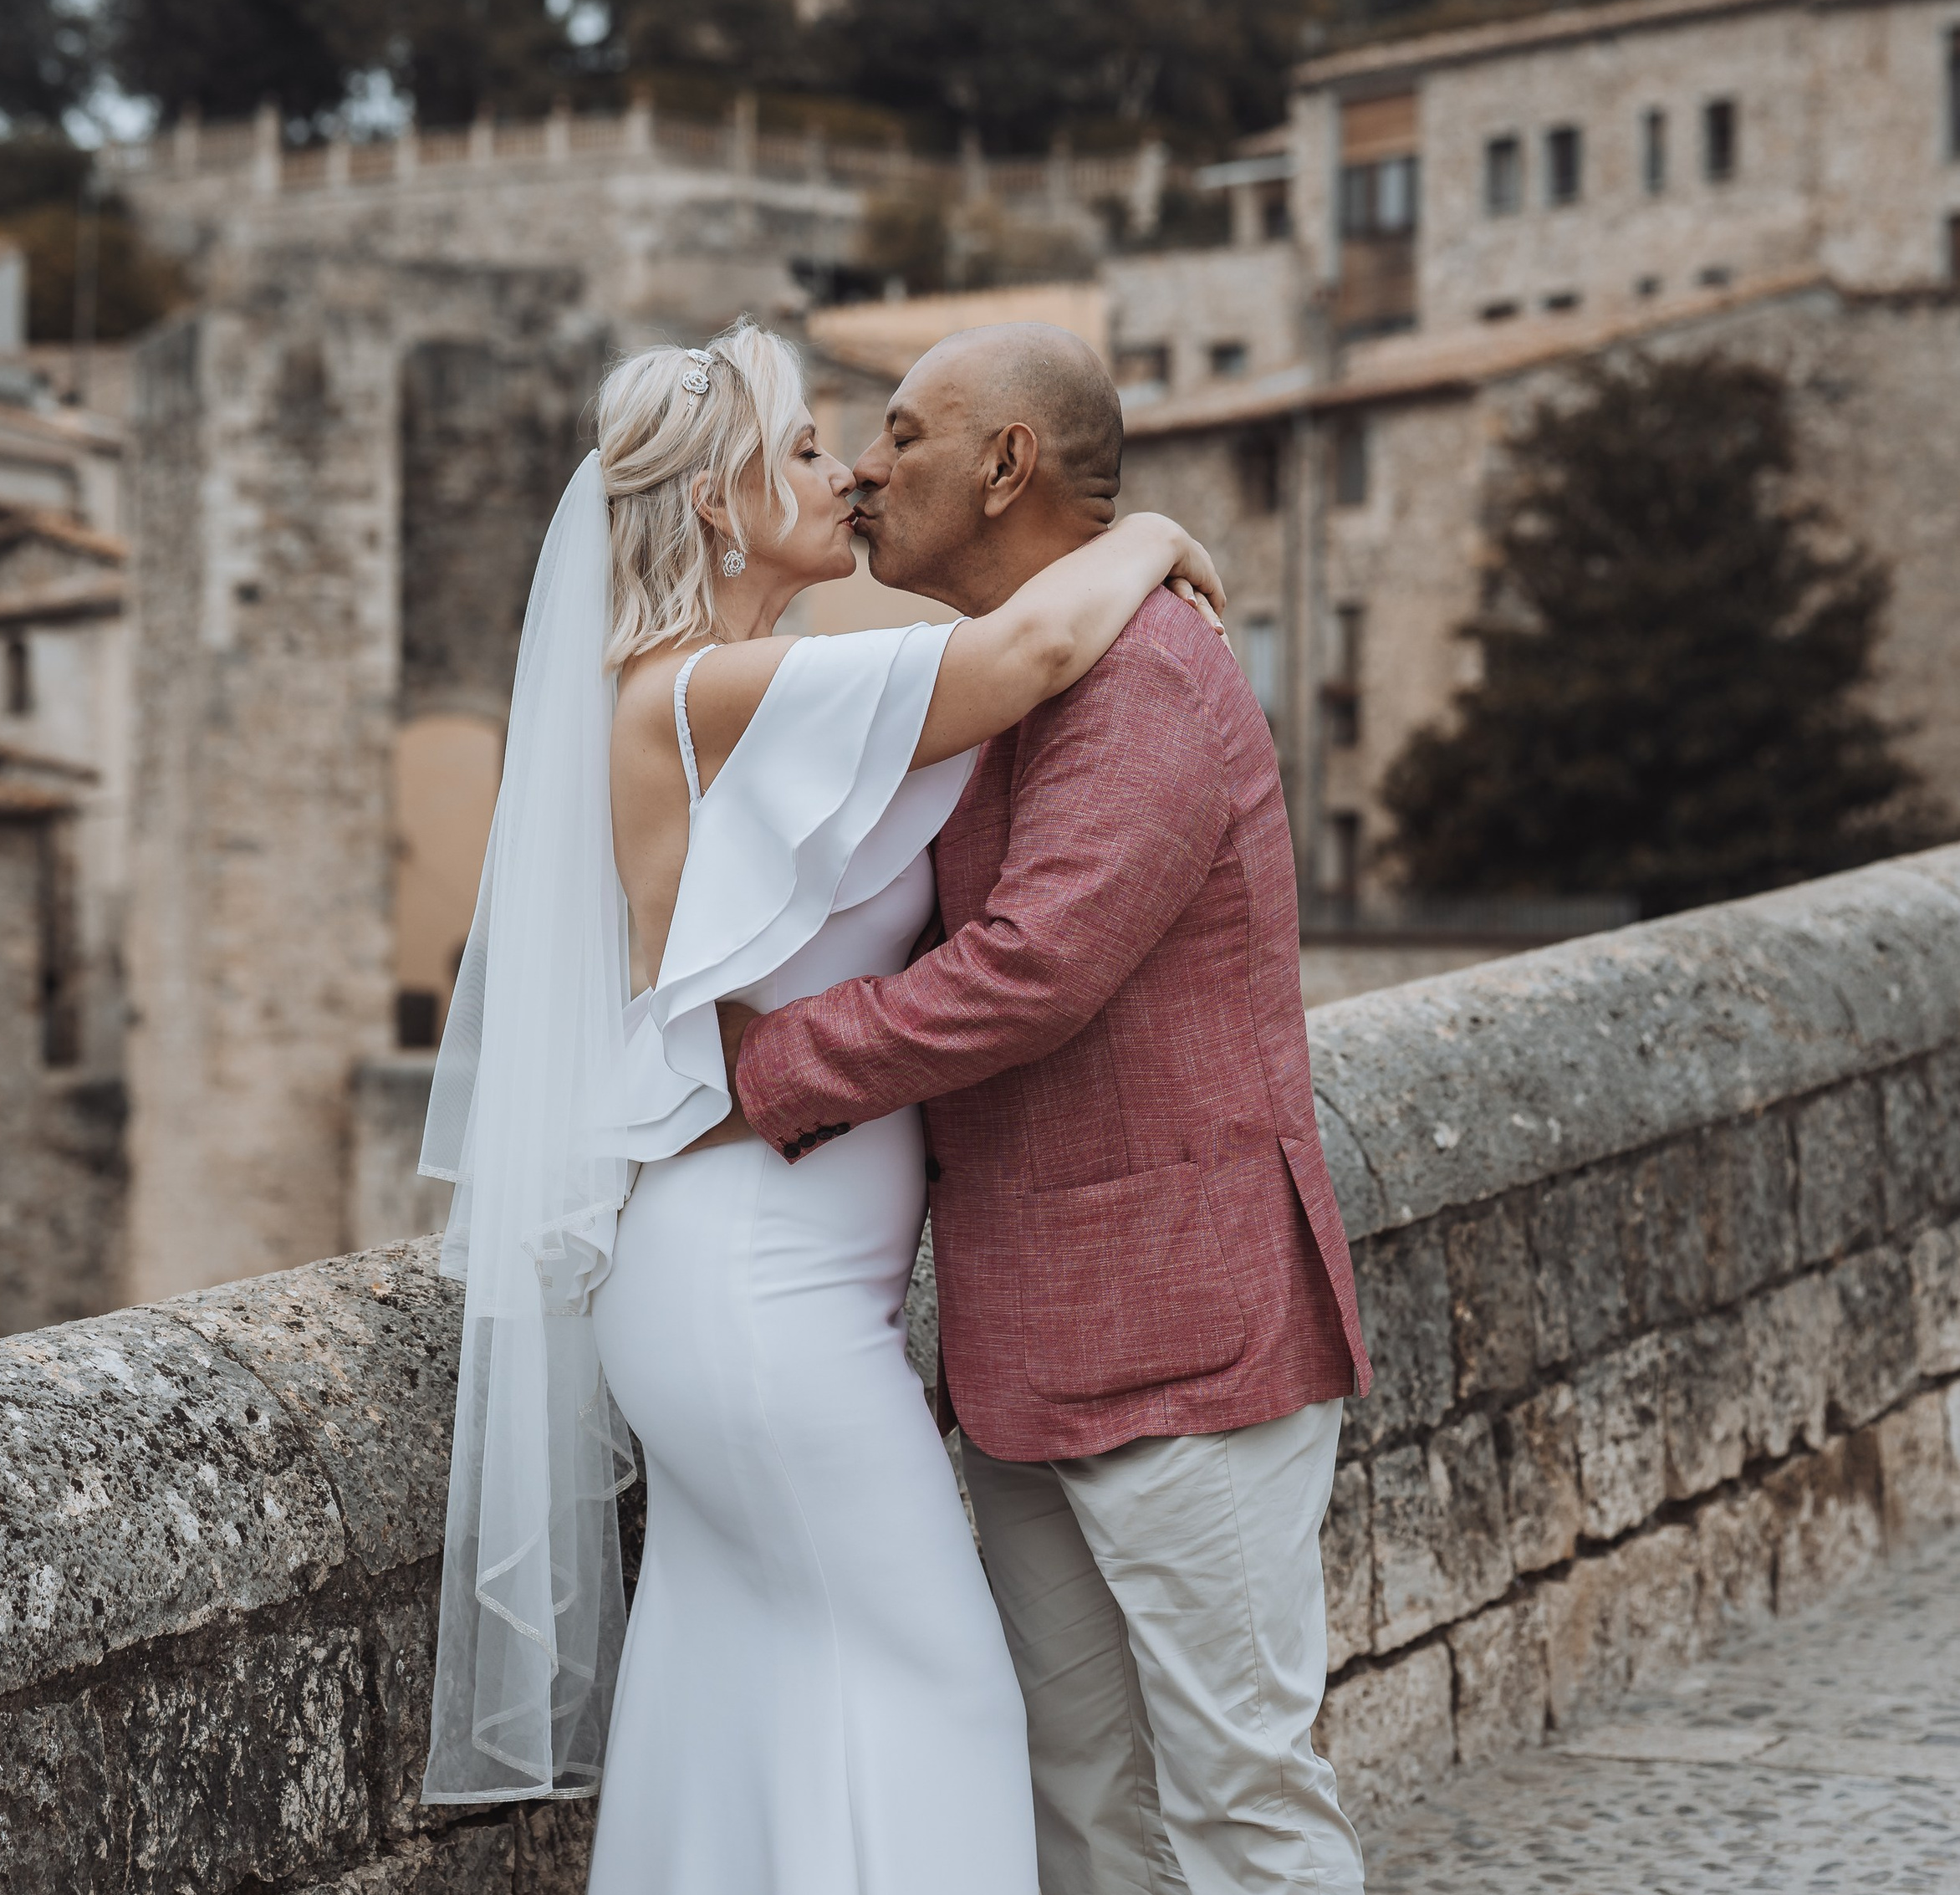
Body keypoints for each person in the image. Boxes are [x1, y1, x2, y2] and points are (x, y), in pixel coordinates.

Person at [416, 315, 1229, 1895]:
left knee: (739, 1708)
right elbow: (1036, 657)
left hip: (763, 1279)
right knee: (942, 1687)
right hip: (754, 1292)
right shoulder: (707, 691)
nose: (845, 475)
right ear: (717, 505)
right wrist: (1151, 531)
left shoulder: (724, 689)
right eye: (803, 449)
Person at [721, 321, 1376, 1894]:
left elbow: (1034, 969)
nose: (866, 470)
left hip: (1183, 1340)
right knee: (1082, 1802)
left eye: (902, 436)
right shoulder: (1018, 667)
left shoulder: (1146, 672)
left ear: (1008, 463)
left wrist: (766, 1071)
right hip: (1035, 1345)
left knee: (1239, 1798)